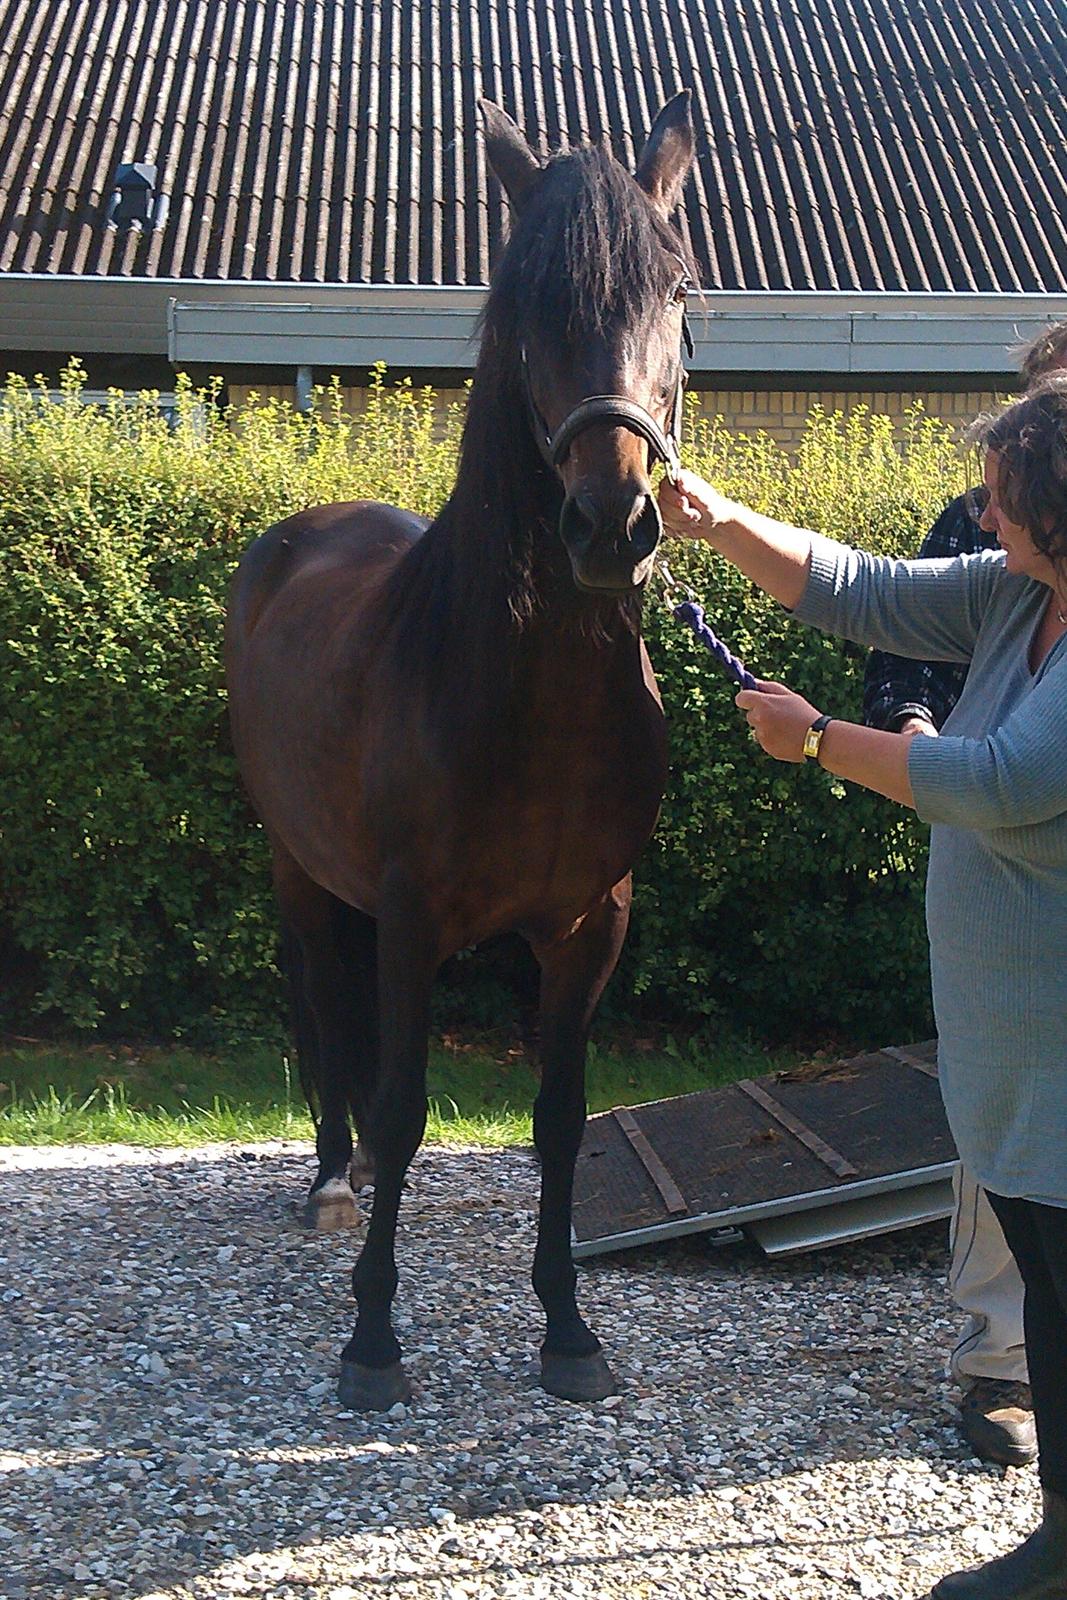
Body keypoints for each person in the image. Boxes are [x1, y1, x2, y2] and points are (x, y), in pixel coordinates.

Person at [658, 375, 1067, 1600]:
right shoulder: (1016, 597)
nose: (980, 519)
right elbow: (857, 585)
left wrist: (820, 739)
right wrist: (716, 517)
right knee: (1045, 1292)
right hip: (1017, 1048)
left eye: (997, 502)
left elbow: (995, 780)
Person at [863, 321, 1067, 1470]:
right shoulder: (982, 530)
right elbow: (896, 651)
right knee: (1000, 1122)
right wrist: (914, 748)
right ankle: (999, 1360)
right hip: (996, 878)